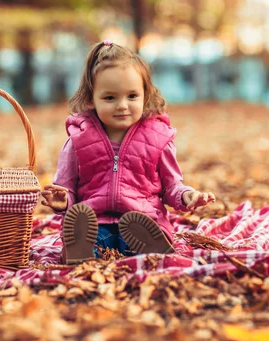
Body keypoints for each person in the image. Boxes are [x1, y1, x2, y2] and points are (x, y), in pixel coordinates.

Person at [42, 40, 216, 265]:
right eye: (110, 98)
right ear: (90, 99)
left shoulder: (158, 138)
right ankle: (81, 249)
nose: (122, 105)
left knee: (136, 231)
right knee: (88, 234)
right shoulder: (78, 140)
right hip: (96, 222)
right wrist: (63, 200)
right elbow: (67, 187)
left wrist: (187, 196)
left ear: (145, 95)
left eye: (132, 96)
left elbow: (172, 186)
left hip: (143, 220)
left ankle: (152, 248)